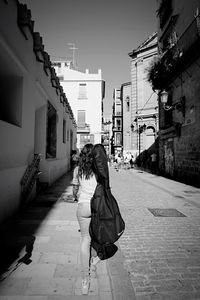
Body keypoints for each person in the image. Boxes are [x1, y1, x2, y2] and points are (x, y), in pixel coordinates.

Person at [73, 143, 100, 295]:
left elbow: (75, 188)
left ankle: (85, 280)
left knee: (85, 240)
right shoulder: (97, 170)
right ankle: (94, 259)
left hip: (82, 207)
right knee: (95, 235)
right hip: (95, 207)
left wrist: (76, 195)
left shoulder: (78, 169)